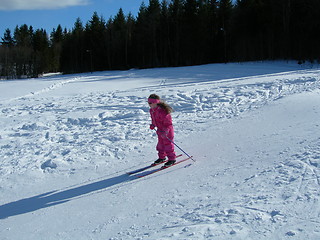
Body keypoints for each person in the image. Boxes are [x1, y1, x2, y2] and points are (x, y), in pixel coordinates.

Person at [148, 94, 176, 167]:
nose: (149, 104)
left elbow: (168, 124)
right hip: (160, 131)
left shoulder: (163, 111)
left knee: (168, 145)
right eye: (148, 103)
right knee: (160, 145)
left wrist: (165, 131)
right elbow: (154, 120)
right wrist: (153, 125)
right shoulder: (152, 111)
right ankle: (162, 157)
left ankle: (172, 159)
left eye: (150, 103)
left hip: (167, 131)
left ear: (155, 102)